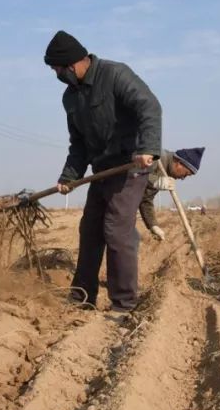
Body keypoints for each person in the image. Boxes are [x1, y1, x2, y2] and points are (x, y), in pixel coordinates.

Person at [44, 30, 162, 315]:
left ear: (72, 64)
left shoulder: (115, 74)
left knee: (116, 229)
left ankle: (123, 303)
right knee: (90, 230)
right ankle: (83, 297)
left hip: (131, 166)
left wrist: (146, 147)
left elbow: (150, 107)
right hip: (102, 170)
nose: (57, 75)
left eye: (57, 70)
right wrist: (68, 177)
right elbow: (79, 144)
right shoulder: (70, 98)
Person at [138, 147, 205, 240]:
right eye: (186, 174)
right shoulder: (157, 157)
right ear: (179, 163)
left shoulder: (165, 172)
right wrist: (155, 181)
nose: (183, 178)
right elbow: (134, 173)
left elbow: (145, 199)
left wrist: (153, 225)